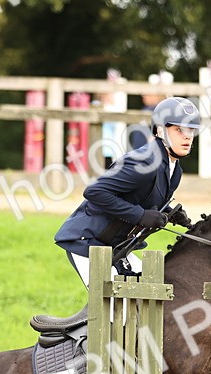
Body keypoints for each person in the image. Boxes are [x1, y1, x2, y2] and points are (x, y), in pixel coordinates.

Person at [54, 96, 199, 287]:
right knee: (117, 308)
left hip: (117, 246)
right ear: (160, 130)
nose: (187, 136)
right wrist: (140, 215)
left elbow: (139, 198)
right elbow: (95, 192)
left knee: (147, 298)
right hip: (87, 242)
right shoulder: (143, 161)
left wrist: (168, 213)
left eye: (191, 130)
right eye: (179, 129)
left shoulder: (175, 170)